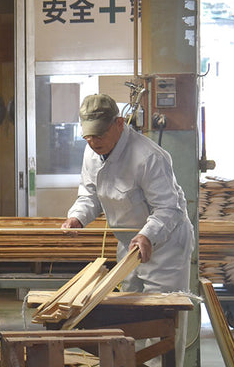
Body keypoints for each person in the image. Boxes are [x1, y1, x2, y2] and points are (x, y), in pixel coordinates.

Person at [61, 93, 193, 294]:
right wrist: (77, 217)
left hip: (165, 246)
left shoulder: (149, 157)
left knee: (163, 310)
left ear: (119, 124)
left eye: (100, 135)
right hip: (128, 242)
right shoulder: (92, 152)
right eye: (88, 136)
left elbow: (169, 209)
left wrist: (147, 235)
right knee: (129, 305)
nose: (94, 142)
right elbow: (90, 194)